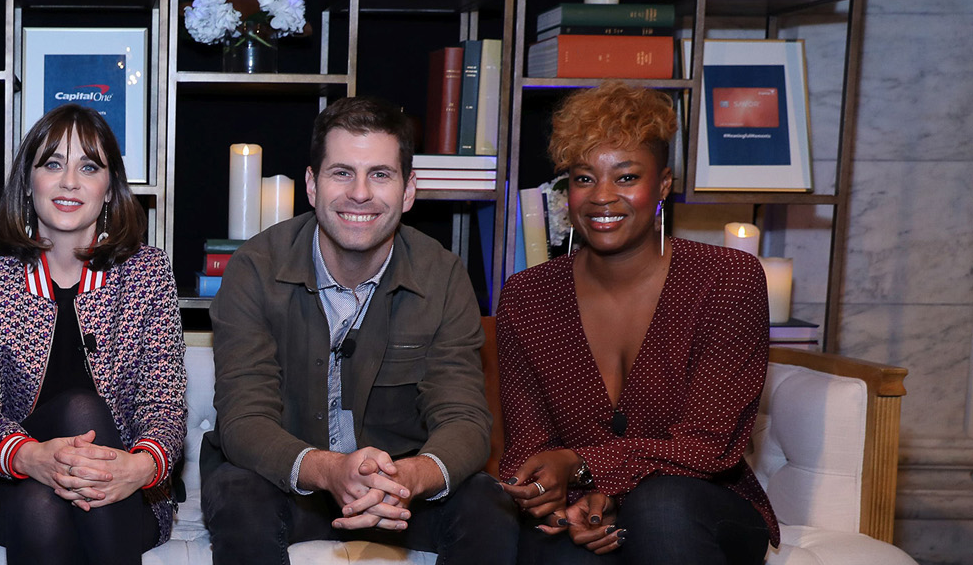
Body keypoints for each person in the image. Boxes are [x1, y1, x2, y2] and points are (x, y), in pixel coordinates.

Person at [202, 96, 516, 564]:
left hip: (399, 494)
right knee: (236, 491)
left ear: (409, 190)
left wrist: (410, 477)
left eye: (380, 174)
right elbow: (244, 419)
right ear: (312, 185)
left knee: (488, 504)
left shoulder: (444, 276)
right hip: (289, 485)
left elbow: (465, 420)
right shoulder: (254, 268)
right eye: (342, 173)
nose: (360, 193)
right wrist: (329, 470)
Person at [495, 81, 777, 565]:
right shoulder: (528, 296)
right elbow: (530, 445)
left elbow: (708, 448)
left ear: (663, 185)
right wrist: (567, 502)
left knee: (660, 505)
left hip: (699, 506)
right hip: (583, 505)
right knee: (553, 545)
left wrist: (586, 468)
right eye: (584, 178)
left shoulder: (727, 278)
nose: (602, 197)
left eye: (626, 177)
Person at [0, 104, 187, 564]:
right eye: (53, 164)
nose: (70, 182)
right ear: (28, 181)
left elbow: (164, 405)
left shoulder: (148, 272)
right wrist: (28, 457)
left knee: (50, 495)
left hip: (124, 485)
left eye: (89, 167)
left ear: (110, 188)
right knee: (49, 477)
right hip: (7, 480)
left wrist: (139, 467)